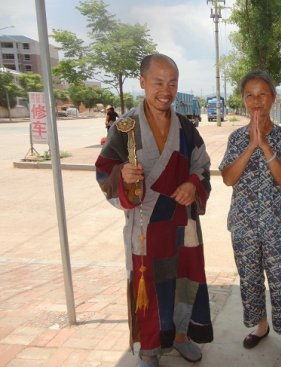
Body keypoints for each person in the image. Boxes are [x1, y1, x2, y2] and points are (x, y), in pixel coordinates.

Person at [95, 54, 213, 367]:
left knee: (184, 279)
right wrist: (123, 176)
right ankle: (149, 348)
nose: (166, 89)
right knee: (148, 286)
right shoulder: (125, 127)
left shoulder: (186, 127)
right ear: (143, 82)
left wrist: (192, 184)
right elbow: (104, 170)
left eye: (172, 83)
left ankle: (181, 336)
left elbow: (202, 164)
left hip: (181, 224)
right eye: (158, 82)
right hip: (145, 226)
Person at [219, 70, 281, 365]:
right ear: (243, 100)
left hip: (279, 224)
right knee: (250, 279)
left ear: (273, 98)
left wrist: (264, 145)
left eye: (262, 94)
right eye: (249, 95)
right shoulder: (236, 137)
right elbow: (228, 178)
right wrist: (250, 145)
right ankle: (261, 325)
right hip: (243, 224)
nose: (256, 101)